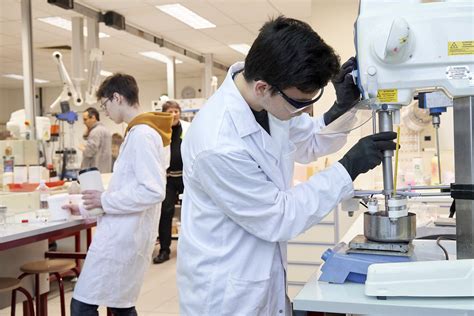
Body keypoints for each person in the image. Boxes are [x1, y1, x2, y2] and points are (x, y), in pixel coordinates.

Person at [177, 16, 397, 315]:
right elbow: (278, 216)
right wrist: (348, 167)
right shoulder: (218, 144)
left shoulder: (265, 102)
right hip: (226, 294)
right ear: (263, 88)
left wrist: (340, 108)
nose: (304, 110)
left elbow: (307, 142)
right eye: (299, 103)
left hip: (261, 276)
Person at [64, 73, 173, 316]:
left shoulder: (143, 135)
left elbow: (152, 190)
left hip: (123, 237)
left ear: (117, 97)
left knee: (83, 305)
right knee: (119, 305)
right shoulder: (139, 133)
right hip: (125, 233)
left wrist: (103, 200)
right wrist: (85, 208)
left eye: (105, 105)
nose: (106, 112)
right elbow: (127, 189)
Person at [153, 100, 190, 264]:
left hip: (185, 177)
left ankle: (190, 248)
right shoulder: (159, 130)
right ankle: (164, 250)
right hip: (168, 177)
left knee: (190, 212)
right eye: (170, 111)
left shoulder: (188, 128)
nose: (174, 114)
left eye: (176, 111)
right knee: (165, 212)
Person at [80, 107, 112, 173]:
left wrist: (83, 148)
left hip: (94, 173)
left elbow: (89, 152)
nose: (84, 122)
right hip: (104, 170)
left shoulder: (95, 132)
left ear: (93, 118)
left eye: (85, 119)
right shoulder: (105, 130)